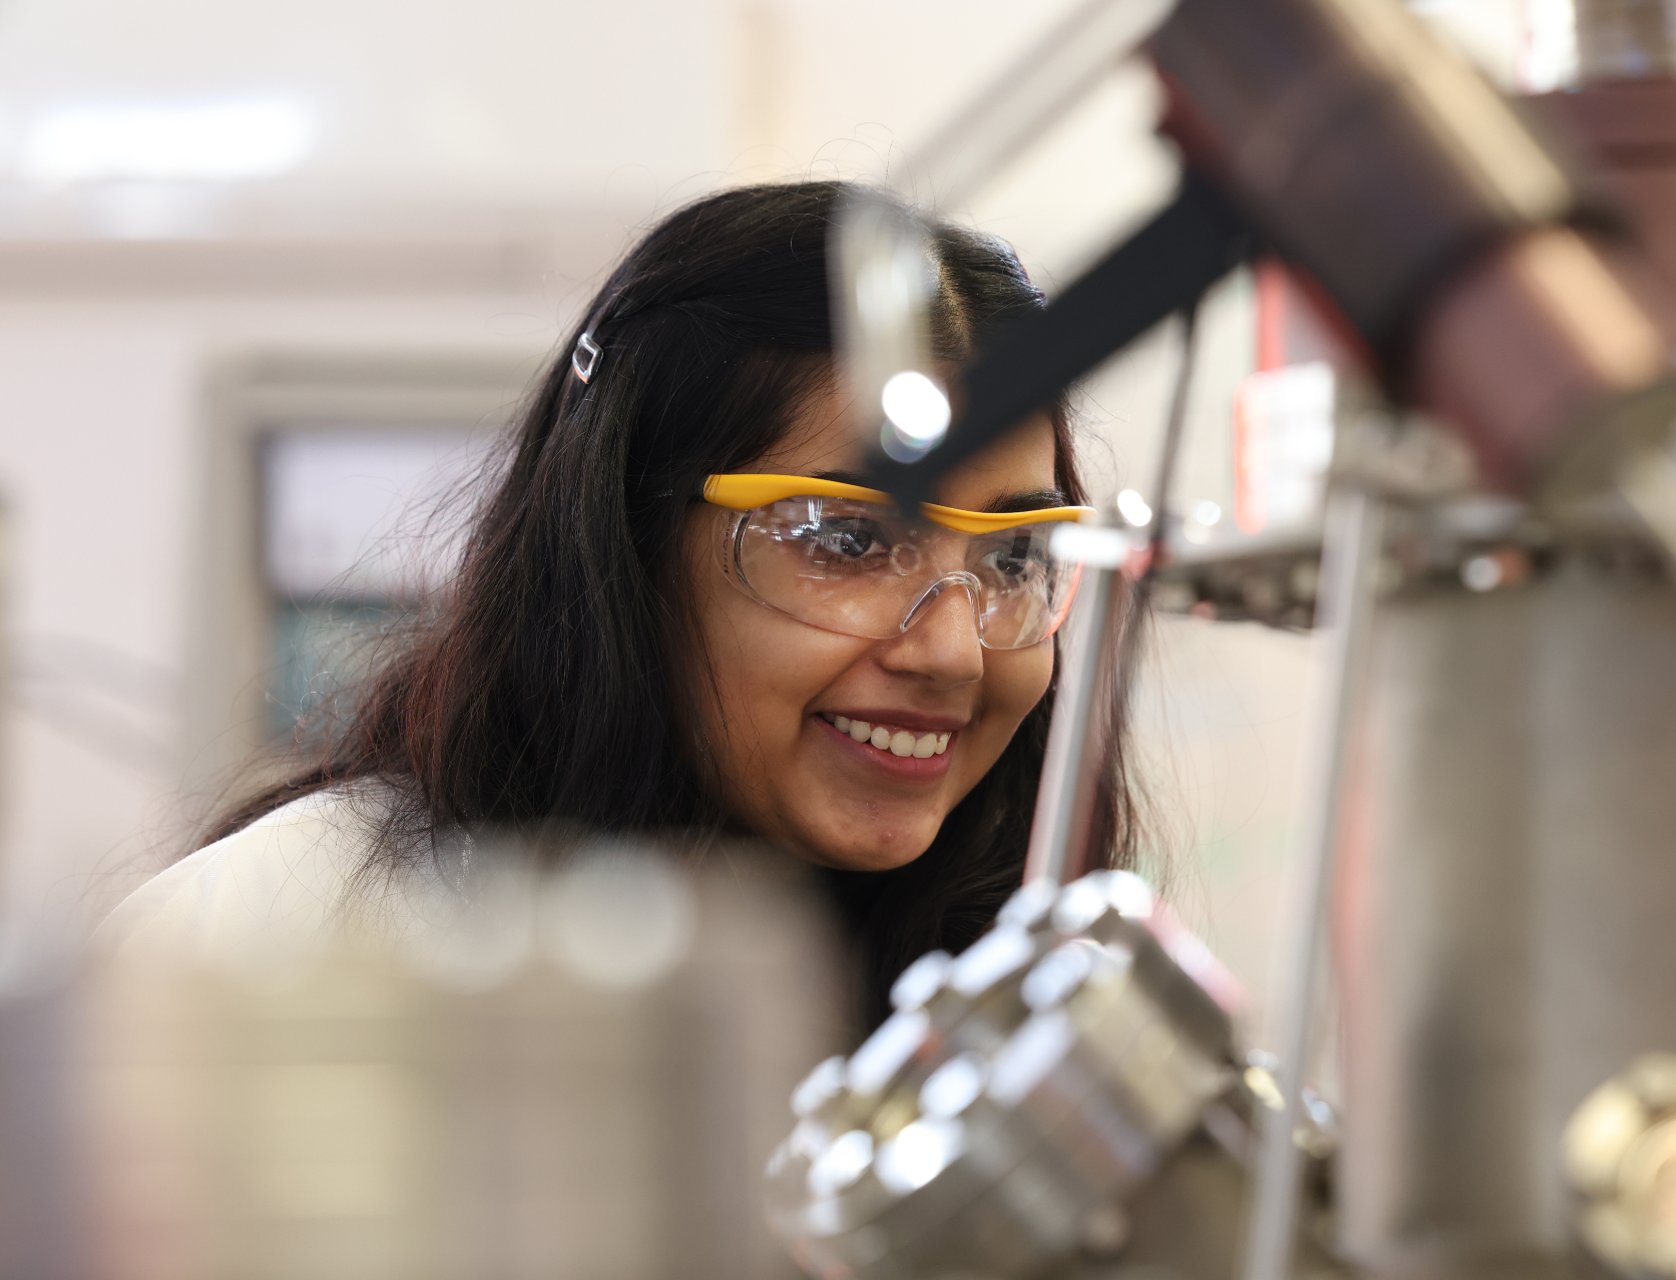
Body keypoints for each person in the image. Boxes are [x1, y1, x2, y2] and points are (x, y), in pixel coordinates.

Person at [101, 180, 1142, 1026]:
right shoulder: (263, 950)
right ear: (624, 543)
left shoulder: (1022, 1011)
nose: (954, 651)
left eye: (1013, 558)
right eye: (847, 539)